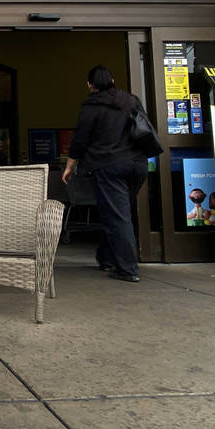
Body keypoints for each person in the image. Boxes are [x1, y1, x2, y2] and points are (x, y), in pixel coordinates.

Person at [61, 65, 148, 283]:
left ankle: (127, 268)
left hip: (110, 166)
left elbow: (80, 139)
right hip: (138, 164)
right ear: (112, 80)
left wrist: (70, 165)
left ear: (90, 85)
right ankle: (106, 257)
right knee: (119, 212)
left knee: (117, 215)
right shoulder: (131, 100)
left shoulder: (91, 106)